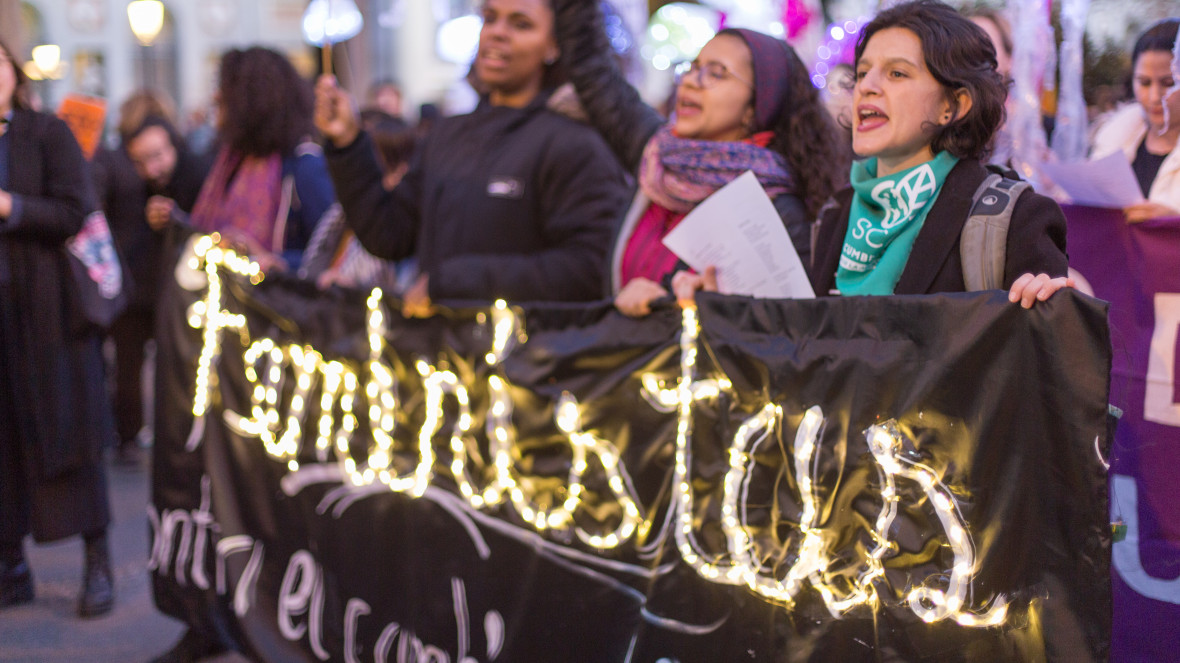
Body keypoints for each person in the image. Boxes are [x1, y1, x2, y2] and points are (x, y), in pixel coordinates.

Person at [675, 0, 1070, 308]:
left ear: (954, 105)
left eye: (897, 73)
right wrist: (721, 304)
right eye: (863, 73)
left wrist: (1047, 304)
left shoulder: (1012, 219)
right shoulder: (834, 215)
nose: (868, 87)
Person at [314, 0, 628, 314]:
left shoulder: (575, 143)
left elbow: (588, 268)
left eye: (521, 24)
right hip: (440, 351)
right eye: (490, 18)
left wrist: (454, 282)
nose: (497, 33)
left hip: (527, 355)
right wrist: (349, 142)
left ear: (554, 46)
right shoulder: (448, 134)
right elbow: (390, 235)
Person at [553, 0, 850, 316]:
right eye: (693, 67)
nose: (692, 80)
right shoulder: (658, 155)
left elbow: (786, 331)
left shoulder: (776, 208)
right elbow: (591, 67)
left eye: (717, 73)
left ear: (756, 105)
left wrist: (674, 307)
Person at [0, 37, 116, 618]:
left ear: (12, 72)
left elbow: (75, 210)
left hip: (49, 315)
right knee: (5, 446)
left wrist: (11, 208)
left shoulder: (46, 133)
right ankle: (10, 567)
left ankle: (98, 563)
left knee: (71, 434)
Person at [93, 96, 209, 465]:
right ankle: (131, 435)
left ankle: (179, 435)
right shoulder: (128, 180)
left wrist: (178, 219)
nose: (152, 168)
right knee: (130, 365)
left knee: (180, 366)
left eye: (157, 157)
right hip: (137, 285)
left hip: (177, 289)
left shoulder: (195, 173)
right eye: (141, 162)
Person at [190, 46, 337, 274]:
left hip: (279, 302)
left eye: (226, 95)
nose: (215, 97)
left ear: (253, 103)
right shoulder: (232, 160)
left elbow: (331, 254)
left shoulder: (304, 165)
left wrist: (277, 261)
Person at [1089, 18, 1180, 222]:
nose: (1155, 96)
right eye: (1144, 82)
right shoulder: (1112, 139)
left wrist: (1174, 224)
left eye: (1168, 83)